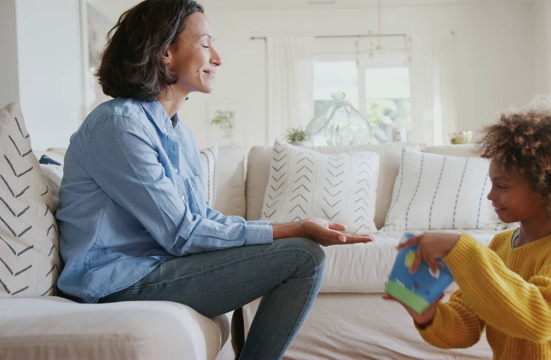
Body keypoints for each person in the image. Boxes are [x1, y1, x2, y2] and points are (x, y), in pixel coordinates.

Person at [55, 1, 373, 359]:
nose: (217, 58)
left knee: (300, 254)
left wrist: (280, 229)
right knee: (303, 256)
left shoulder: (181, 136)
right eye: (206, 44)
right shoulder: (120, 125)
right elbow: (182, 234)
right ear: (165, 53)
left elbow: (203, 221)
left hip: (156, 267)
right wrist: (294, 229)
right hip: (115, 282)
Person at [384, 96, 551, 359]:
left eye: (502, 186)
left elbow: (540, 320)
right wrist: (427, 314)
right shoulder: (500, 245)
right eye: (492, 184)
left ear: (544, 188)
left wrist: (461, 247)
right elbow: (465, 328)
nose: (491, 196)